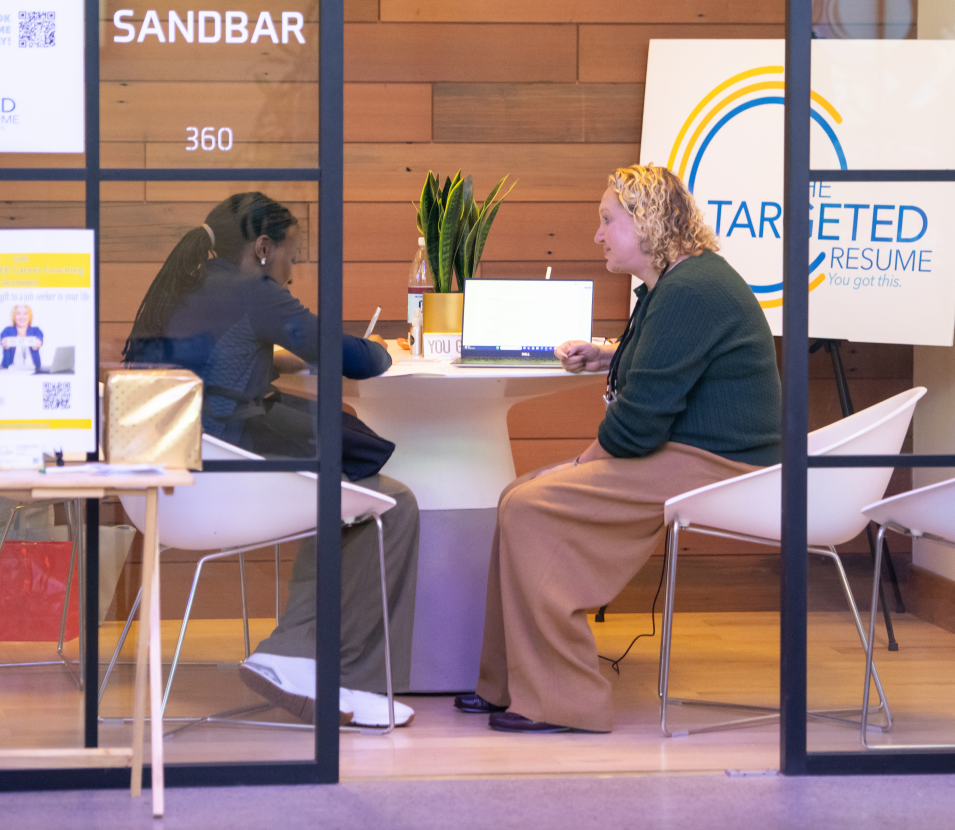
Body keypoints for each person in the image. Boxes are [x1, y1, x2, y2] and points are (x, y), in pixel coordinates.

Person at [456, 165, 782, 733]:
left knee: (530, 506)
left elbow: (635, 429)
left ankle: (564, 702)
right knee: (519, 494)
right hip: (701, 453)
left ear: (645, 221)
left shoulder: (690, 292)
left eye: (608, 220)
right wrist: (611, 355)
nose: (599, 235)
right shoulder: (683, 282)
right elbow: (674, 368)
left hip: (720, 466)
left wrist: (584, 463)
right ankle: (511, 683)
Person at [123, 191, 420, 728]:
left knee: (345, 485)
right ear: (263, 247)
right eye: (293, 254)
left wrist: (268, 357)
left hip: (168, 473)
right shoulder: (252, 291)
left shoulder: (190, 282)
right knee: (387, 500)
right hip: (223, 471)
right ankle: (330, 669)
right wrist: (386, 350)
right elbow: (348, 354)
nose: (295, 268)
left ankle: (305, 653)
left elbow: (218, 356)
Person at [0, 304, 43, 371]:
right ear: (14, 316)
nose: (21, 317)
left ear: (29, 316)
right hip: (11, 372)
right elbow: (5, 364)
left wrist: (38, 343)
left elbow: (40, 340)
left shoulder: (36, 331)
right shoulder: (7, 331)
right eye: (18, 314)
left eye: (25, 314)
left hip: (33, 371)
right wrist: (5, 345)